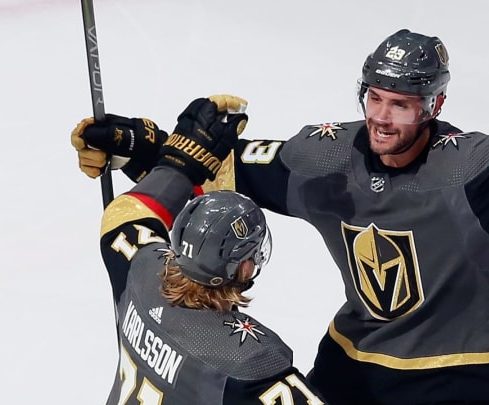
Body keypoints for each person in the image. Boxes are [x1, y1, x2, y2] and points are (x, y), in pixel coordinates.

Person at [71, 29, 489, 405]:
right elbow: (224, 166)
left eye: (399, 104)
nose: (381, 116)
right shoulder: (327, 156)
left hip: (451, 380)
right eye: (375, 97)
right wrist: (140, 147)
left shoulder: (470, 167)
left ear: (433, 105)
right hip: (353, 364)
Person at [76, 95, 327, 404]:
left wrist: (176, 165)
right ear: (243, 267)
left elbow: (125, 212)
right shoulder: (249, 362)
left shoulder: (140, 269)